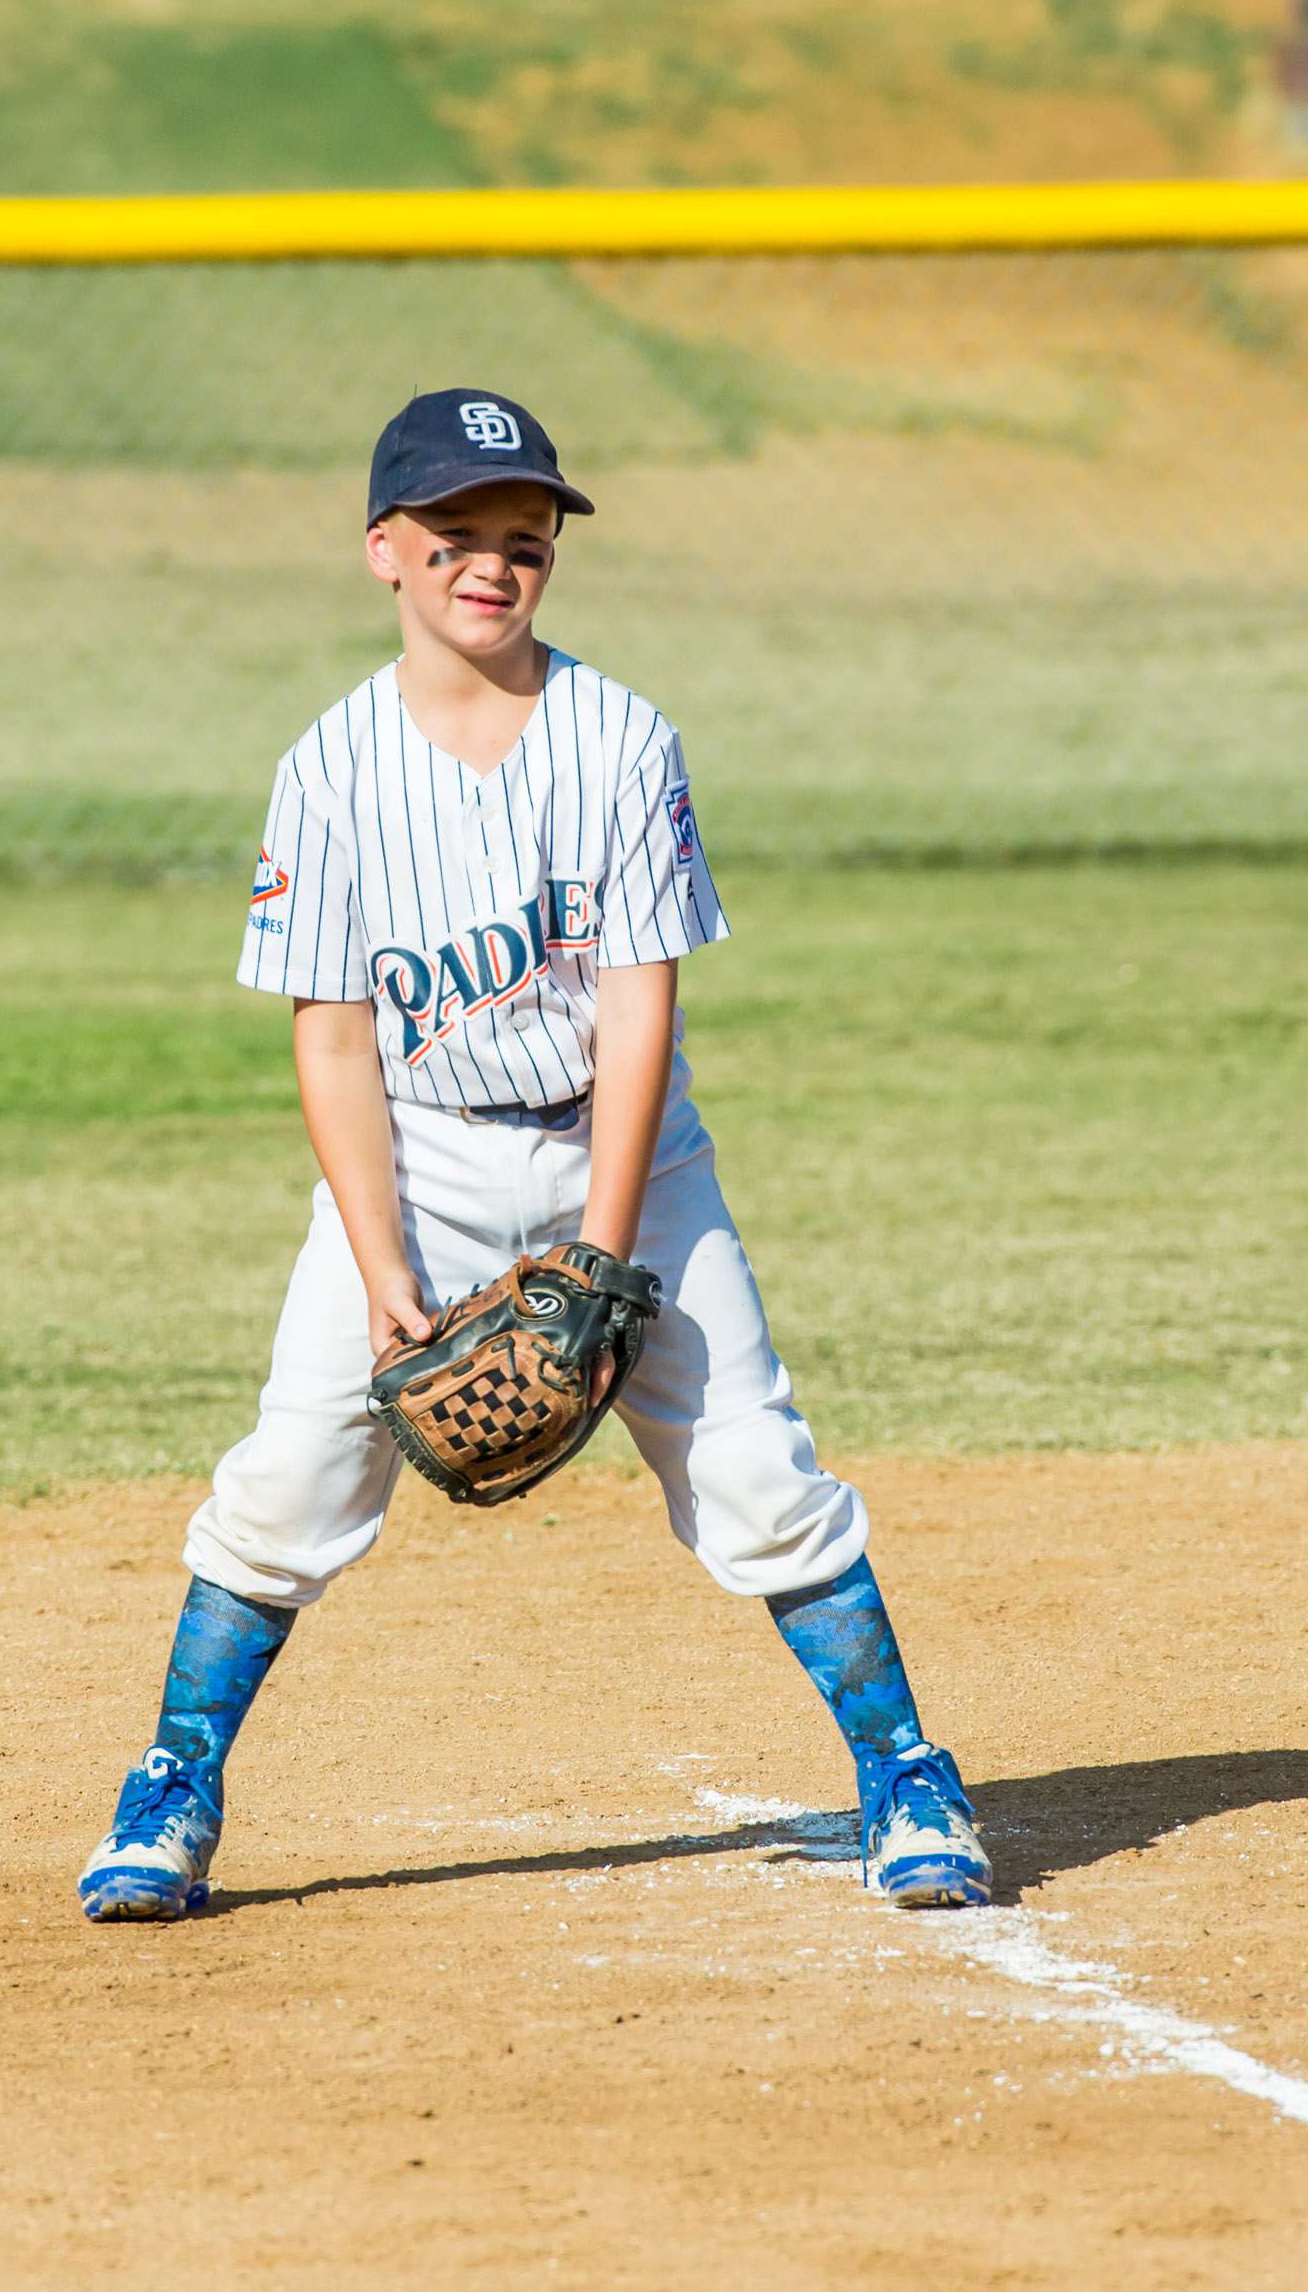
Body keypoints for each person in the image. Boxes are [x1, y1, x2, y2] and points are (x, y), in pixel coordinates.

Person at [78, 388, 992, 1922]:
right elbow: (335, 1040)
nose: (493, 564)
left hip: (619, 1151)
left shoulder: (622, 739)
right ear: (384, 549)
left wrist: (601, 1247)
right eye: (455, 535)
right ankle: (172, 1784)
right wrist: (383, 1275)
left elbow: (641, 1012)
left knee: (756, 1465)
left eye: (525, 537)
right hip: (417, 1161)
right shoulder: (330, 766)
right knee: (292, 1474)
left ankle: (908, 1769)